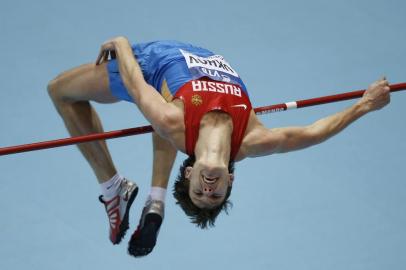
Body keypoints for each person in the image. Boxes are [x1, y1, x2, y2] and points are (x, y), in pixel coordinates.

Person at [47, 36, 391, 257]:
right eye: (216, 195)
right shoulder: (253, 140)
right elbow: (315, 132)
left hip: (151, 61)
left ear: (190, 171)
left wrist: (121, 43)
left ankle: (113, 188)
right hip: (204, 56)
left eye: (200, 193)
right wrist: (365, 105)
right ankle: (154, 198)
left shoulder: (172, 124)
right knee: (168, 120)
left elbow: (137, 85)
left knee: (59, 91)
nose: (209, 190)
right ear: (230, 181)